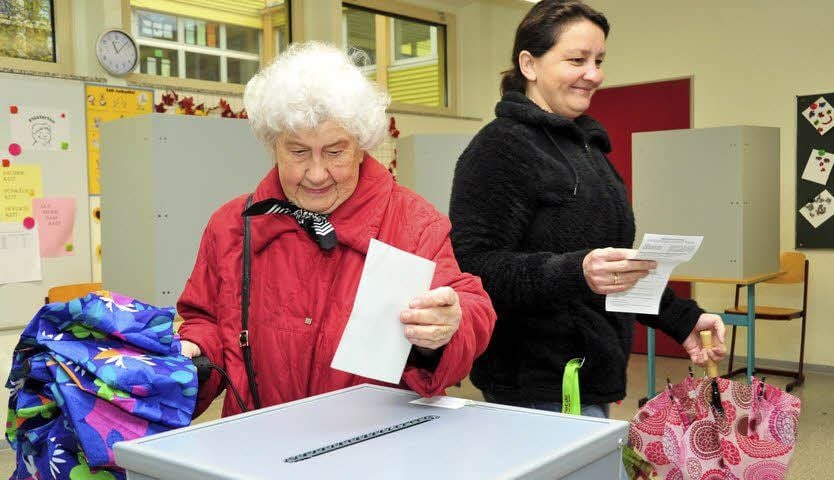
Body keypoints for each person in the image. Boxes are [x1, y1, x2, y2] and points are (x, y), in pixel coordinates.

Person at [177, 42, 496, 418]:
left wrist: (443, 332)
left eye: (334, 152)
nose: (316, 174)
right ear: (273, 146)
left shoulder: (412, 223)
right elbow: (207, 321)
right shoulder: (233, 226)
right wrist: (194, 353)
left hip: (374, 451)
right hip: (257, 448)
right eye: (297, 152)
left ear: (362, 147)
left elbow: (470, 307)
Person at [448, 0, 726, 418]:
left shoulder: (589, 149)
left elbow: (612, 268)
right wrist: (575, 271)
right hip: (535, 385)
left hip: (591, 374)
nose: (593, 74)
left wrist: (682, 318)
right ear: (529, 63)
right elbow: (474, 268)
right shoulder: (500, 148)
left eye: (599, 60)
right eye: (577, 59)